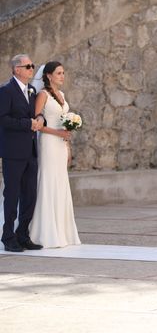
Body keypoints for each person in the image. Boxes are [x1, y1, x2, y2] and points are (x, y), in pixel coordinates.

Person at [29, 61, 81, 248]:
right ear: (49, 75)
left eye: (63, 72)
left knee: (61, 183)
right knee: (48, 182)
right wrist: (58, 134)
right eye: (58, 73)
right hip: (49, 144)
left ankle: (62, 232)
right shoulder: (42, 95)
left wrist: (68, 146)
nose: (62, 76)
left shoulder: (62, 96)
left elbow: (64, 125)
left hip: (60, 145)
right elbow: (37, 124)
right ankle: (44, 232)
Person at [0, 54, 44, 252]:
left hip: (31, 152)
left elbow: (34, 113)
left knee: (30, 195)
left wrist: (40, 117)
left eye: (32, 66)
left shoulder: (32, 90)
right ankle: (8, 237)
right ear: (16, 69)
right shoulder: (6, 91)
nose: (31, 69)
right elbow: (3, 120)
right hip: (13, 152)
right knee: (12, 195)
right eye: (27, 66)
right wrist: (27, 124)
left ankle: (23, 235)